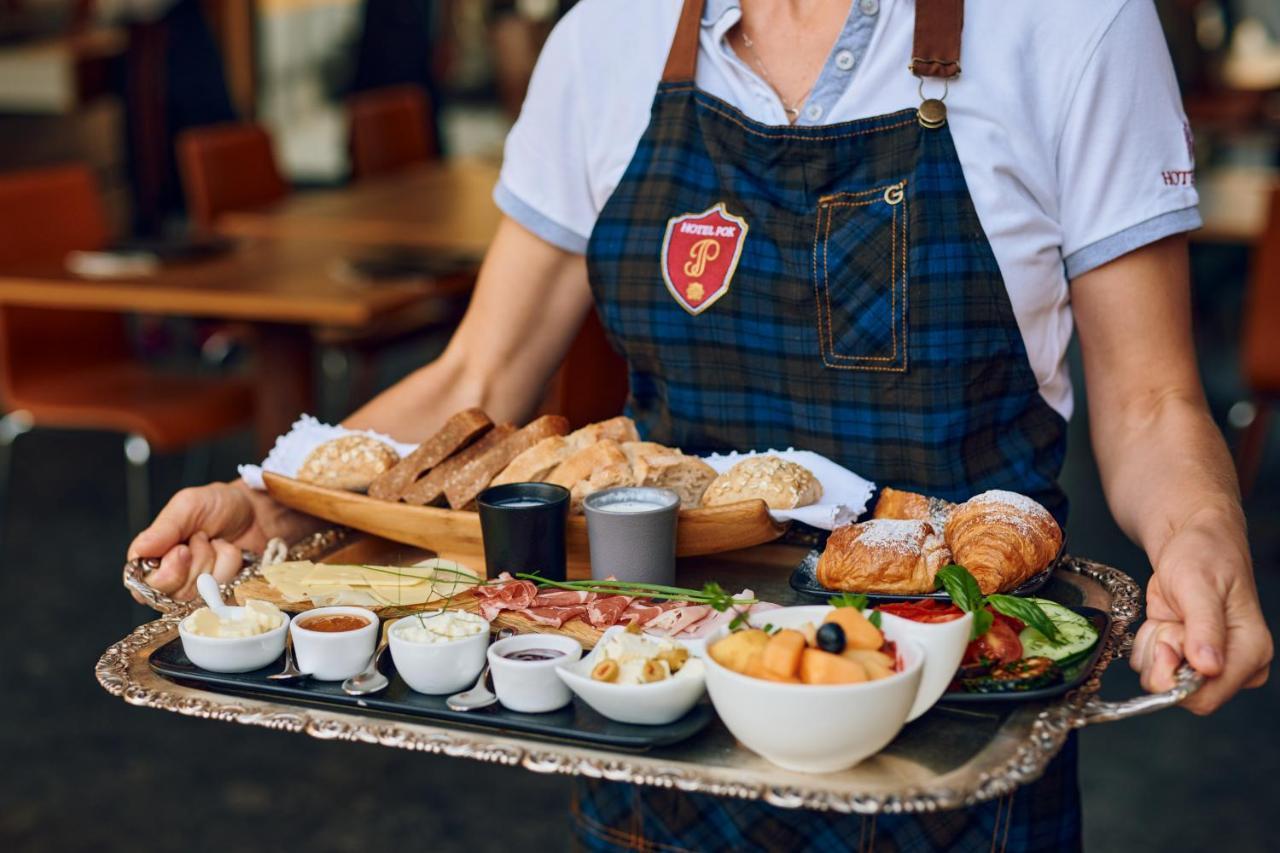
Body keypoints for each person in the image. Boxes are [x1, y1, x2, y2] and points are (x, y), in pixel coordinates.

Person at [129, 0, 1272, 849]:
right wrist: (280, 498)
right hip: (661, 702)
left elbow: (1152, 400)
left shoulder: (1070, 26)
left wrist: (1200, 537)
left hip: (949, 723)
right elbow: (478, 371)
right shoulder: (606, 39)